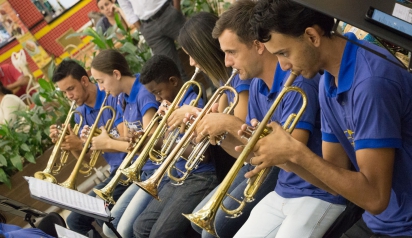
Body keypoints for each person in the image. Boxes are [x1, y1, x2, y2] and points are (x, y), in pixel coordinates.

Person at [246, 0, 412, 237]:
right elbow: (334, 179)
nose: (283, 65)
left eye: (284, 53)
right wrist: (280, 154)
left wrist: (297, 152)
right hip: (383, 221)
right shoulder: (328, 80)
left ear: (312, 36)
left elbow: (375, 198)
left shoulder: (371, 83)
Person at [190, 2, 345, 237]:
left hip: (317, 192)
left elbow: (290, 152)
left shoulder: (298, 81)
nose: (226, 62)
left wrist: (231, 124)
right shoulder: (256, 86)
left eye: (231, 52)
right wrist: (218, 135)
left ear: (256, 46)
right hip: (284, 190)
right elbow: (251, 155)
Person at [132, 54, 219, 238]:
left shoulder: (193, 101)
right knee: (140, 228)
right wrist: (148, 142)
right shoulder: (169, 105)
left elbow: (203, 155)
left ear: (172, 81)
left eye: (158, 92)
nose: (156, 99)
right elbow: (165, 145)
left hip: (201, 175)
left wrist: (163, 140)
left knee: (159, 235)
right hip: (179, 175)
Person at [86, 49, 161, 238]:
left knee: (124, 229)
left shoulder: (143, 93)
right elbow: (129, 139)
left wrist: (109, 143)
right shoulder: (122, 97)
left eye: (101, 81)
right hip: (143, 172)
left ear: (116, 74)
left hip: (156, 171)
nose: (101, 88)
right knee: (109, 228)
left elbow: (149, 145)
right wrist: (102, 137)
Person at [49, 59, 128, 236]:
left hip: (130, 166)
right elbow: (87, 162)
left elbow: (126, 143)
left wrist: (83, 143)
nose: (69, 96)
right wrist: (71, 145)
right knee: (73, 220)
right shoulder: (80, 114)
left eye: (71, 89)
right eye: (64, 92)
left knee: (99, 209)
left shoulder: (110, 95)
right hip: (116, 172)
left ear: (84, 81)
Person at [117, 0, 187, 80]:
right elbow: (127, 9)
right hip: (149, 28)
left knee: (196, 49)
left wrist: (176, 9)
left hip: (168, 11)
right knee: (173, 70)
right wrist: (142, 29)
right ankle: (192, 92)